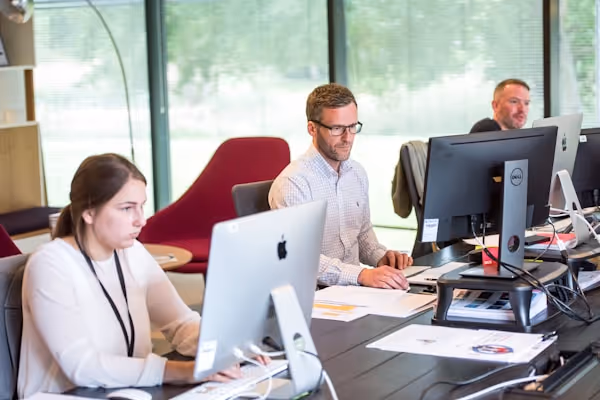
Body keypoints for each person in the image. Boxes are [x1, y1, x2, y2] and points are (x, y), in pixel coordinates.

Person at [18, 153, 265, 398]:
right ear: (89, 212)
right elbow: (82, 367)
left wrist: (229, 348)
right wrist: (183, 371)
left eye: (141, 206)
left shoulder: (132, 252)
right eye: (126, 209)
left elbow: (180, 324)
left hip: (128, 391)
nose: (141, 220)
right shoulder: (51, 265)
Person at [269, 83, 413, 290]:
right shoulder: (293, 184)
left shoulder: (356, 173)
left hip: (355, 292)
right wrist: (362, 274)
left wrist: (383, 258)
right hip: (317, 296)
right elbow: (300, 258)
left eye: (353, 127)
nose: (348, 138)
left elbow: (362, 235)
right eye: (337, 129)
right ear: (312, 128)